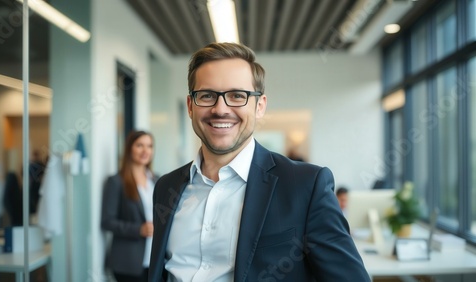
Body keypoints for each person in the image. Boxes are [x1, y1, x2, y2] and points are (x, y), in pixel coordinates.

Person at [149, 43, 370, 281]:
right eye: (207, 95)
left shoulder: (306, 186)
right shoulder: (166, 187)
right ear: (191, 106)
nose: (220, 109)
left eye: (237, 96)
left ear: (260, 106)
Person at [101, 130, 158, 282]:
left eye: (149, 146)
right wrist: (139, 229)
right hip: (128, 262)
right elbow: (107, 221)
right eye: (140, 145)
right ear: (129, 149)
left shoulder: (157, 180)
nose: (146, 151)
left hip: (155, 259)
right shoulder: (116, 182)